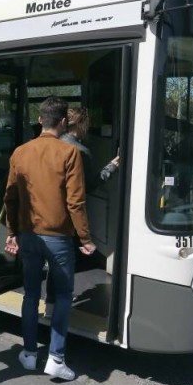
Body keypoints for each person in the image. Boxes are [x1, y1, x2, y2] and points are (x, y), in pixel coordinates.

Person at [4, 96, 95, 381]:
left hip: (29, 235)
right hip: (59, 237)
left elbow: (10, 197)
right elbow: (75, 202)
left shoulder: (20, 152)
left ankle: (29, 354)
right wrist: (85, 238)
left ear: (40, 119)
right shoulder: (70, 154)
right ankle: (56, 358)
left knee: (31, 295)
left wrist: (11, 232)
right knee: (64, 296)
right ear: (63, 122)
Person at [44, 106, 119, 317]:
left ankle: (48, 306)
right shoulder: (79, 151)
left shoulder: (47, 145)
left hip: (43, 213)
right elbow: (86, 187)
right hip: (67, 216)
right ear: (82, 124)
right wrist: (112, 166)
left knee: (51, 262)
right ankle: (58, 311)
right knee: (64, 262)